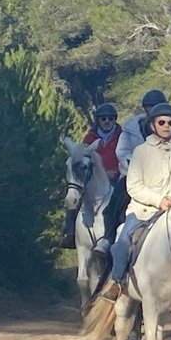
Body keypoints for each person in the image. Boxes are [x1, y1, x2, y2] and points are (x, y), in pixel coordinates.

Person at [104, 102, 171, 301]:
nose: (166, 126)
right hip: (143, 211)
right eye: (162, 122)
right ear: (152, 125)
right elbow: (134, 186)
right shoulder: (140, 152)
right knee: (122, 241)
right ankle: (117, 281)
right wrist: (159, 200)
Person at [61, 102, 124, 249]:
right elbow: (83, 158)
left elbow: (126, 156)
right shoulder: (89, 138)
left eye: (110, 118)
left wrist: (115, 171)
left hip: (118, 176)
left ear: (115, 120)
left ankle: (119, 232)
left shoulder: (122, 136)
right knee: (74, 193)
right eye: (103, 119)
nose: (107, 121)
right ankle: (70, 232)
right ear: (98, 121)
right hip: (95, 178)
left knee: (123, 200)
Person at [115, 88, 171, 172]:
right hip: (133, 174)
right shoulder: (130, 129)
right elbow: (122, 152)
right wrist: (139, 165)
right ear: (145, 108)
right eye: (151, 106)